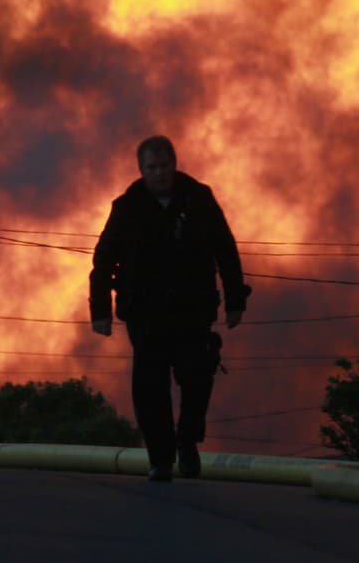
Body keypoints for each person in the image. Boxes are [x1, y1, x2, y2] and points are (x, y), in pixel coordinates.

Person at [89, 135, 250, 482]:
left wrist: (236, 301)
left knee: (196, 378)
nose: (159, 173)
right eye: (152, 167)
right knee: (150, 387)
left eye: (164, 165)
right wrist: (99, 309)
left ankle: (187, 441)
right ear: (141, 170)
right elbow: (103, 259)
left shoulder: (199, 199)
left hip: (192, 309)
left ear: (174, 164)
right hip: (145, 314)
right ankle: (160, 459)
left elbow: (226, 250)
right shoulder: (127, 207)